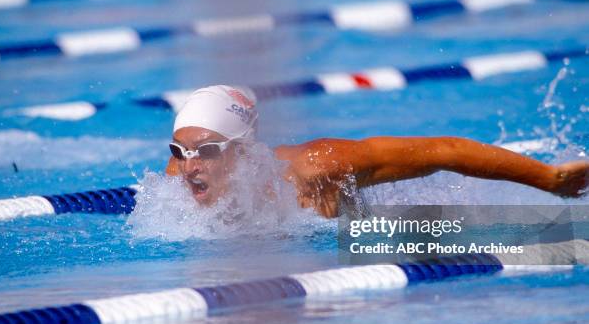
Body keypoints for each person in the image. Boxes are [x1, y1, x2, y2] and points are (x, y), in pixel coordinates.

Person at [166, 85, 589, 218]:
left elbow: (445, 150)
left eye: (206, 150)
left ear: (244, 151)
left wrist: (551, 180)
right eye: (179, 150)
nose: (189, 167)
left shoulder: (316, 168)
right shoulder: (179, 176)